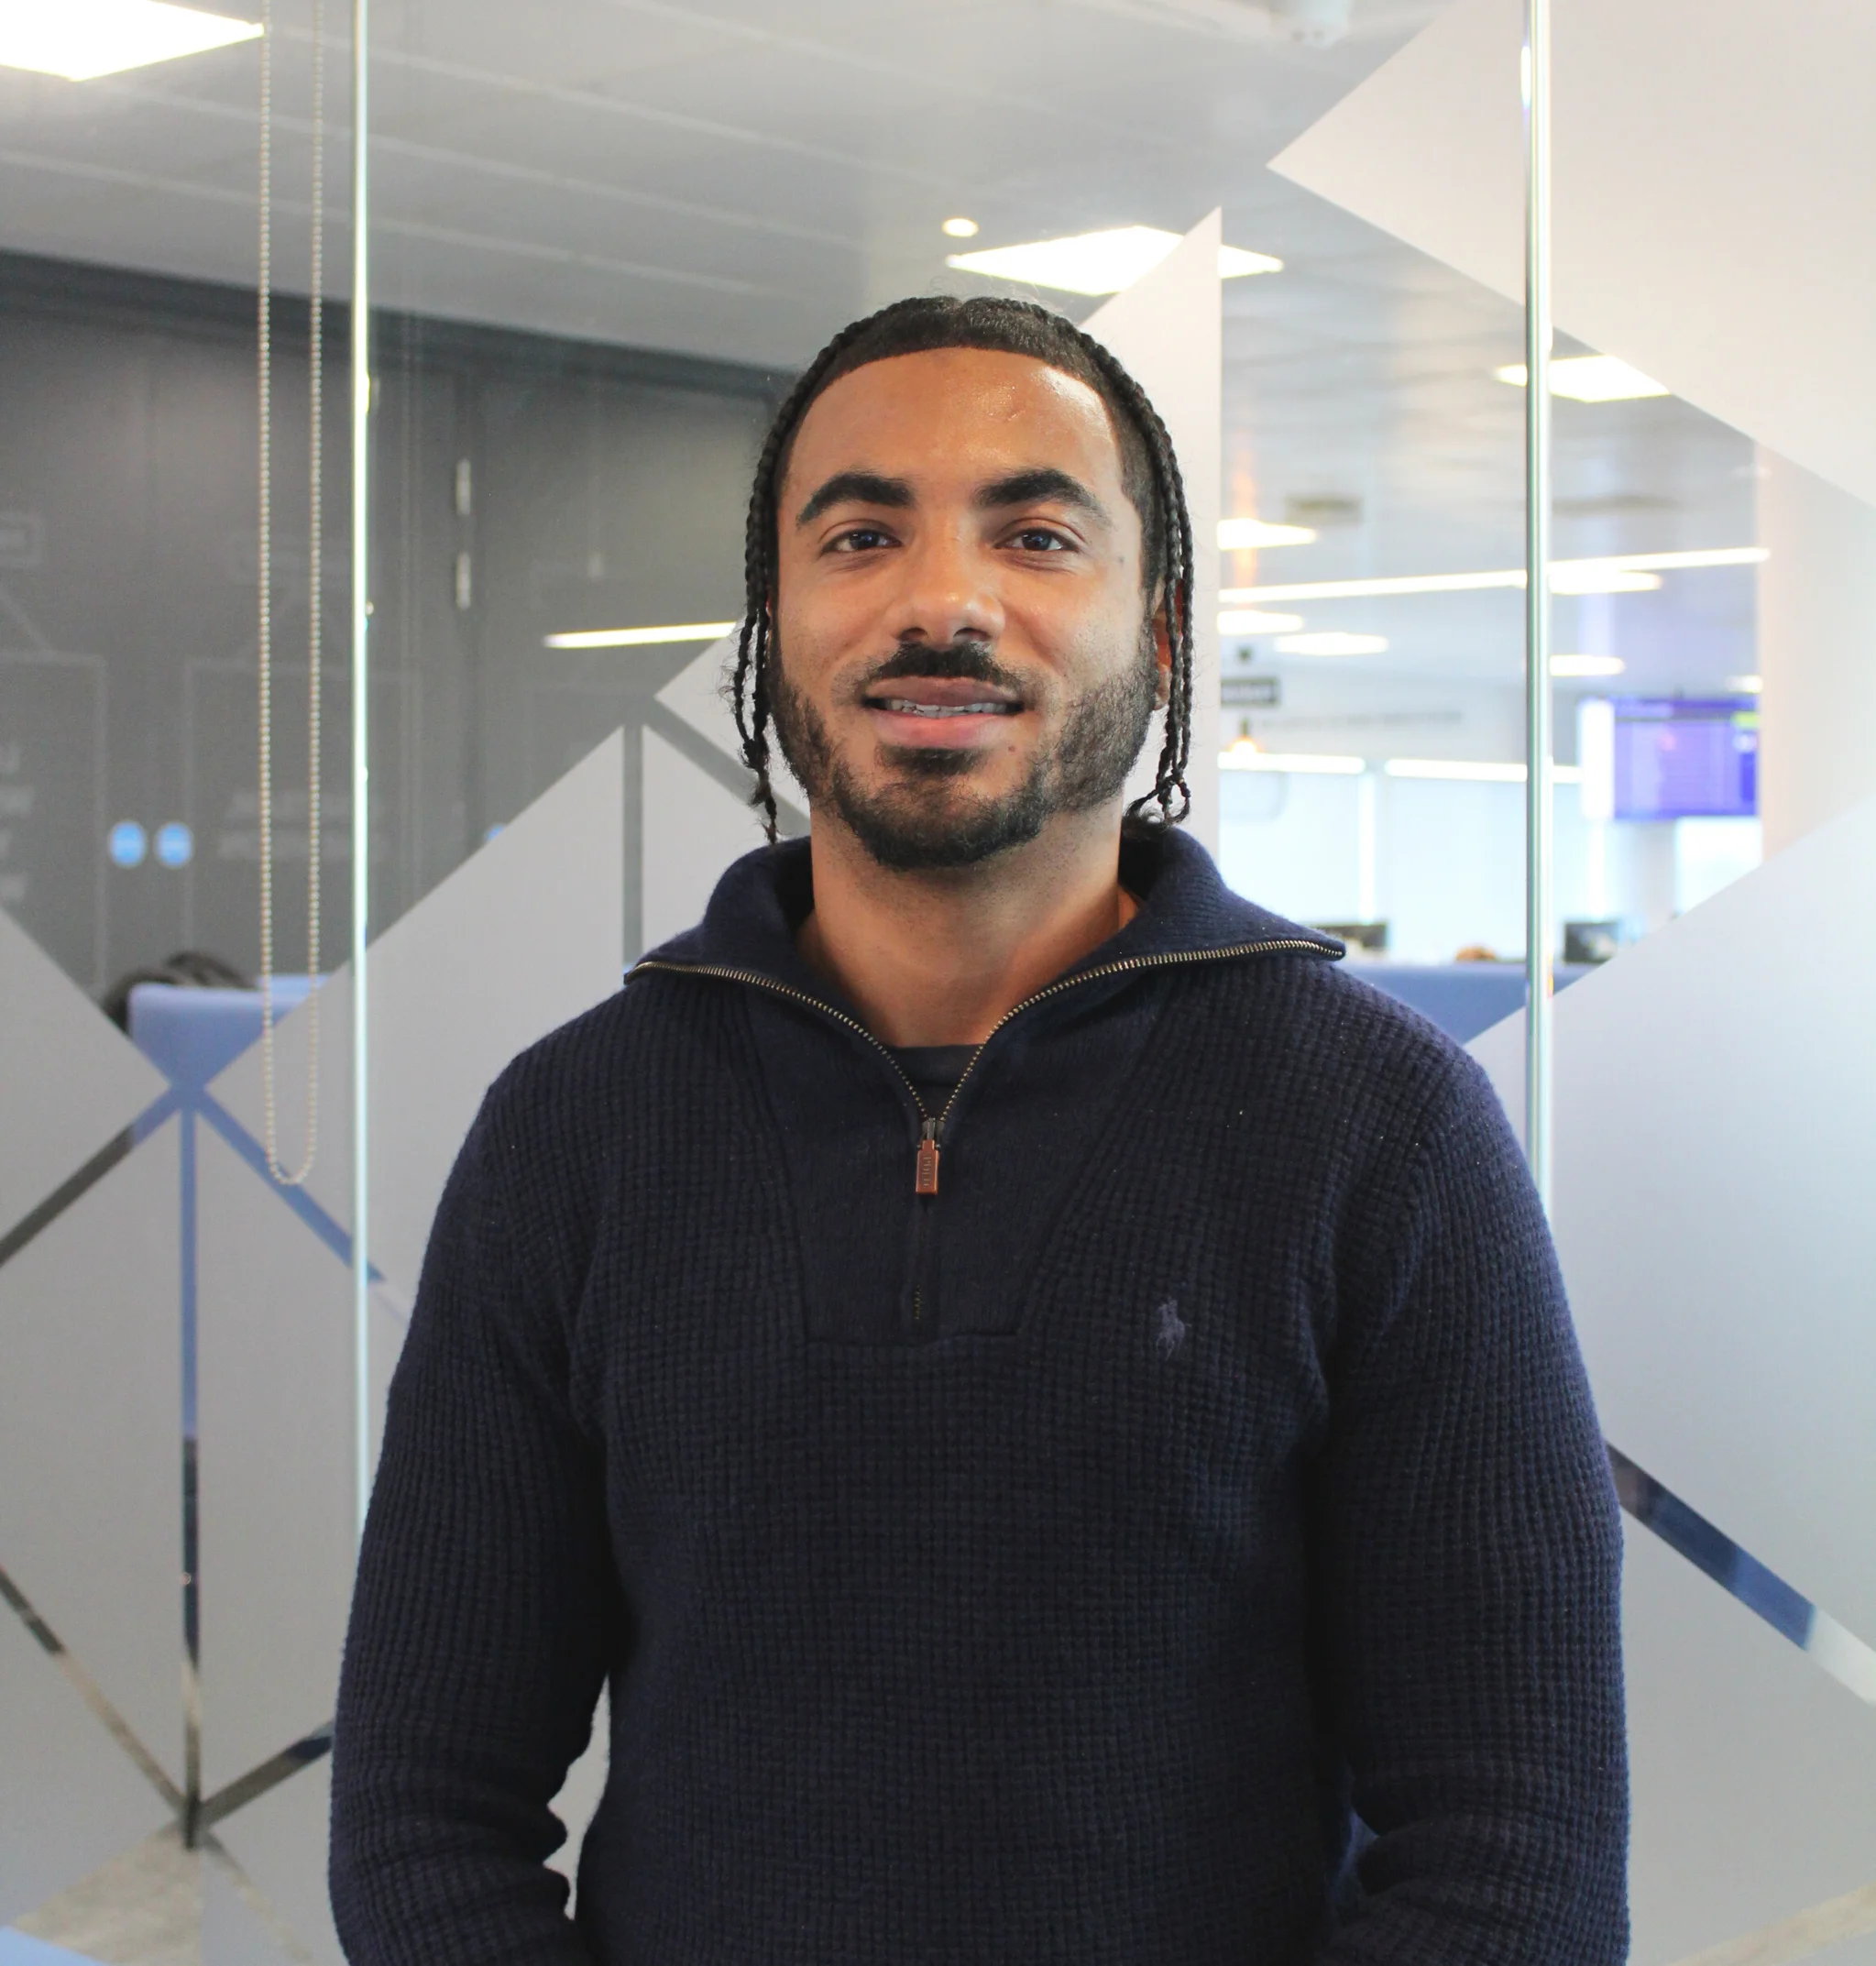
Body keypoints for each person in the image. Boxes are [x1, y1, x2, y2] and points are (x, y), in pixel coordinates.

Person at [330, 296, 1628, 1963]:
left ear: (1159, 634)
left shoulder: (1375, 1125)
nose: (940, 602)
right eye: (860, 536)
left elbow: (1513, 1853)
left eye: (1034, 534)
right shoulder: (575, 1131)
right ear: (773, 629)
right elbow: (423, 1815)